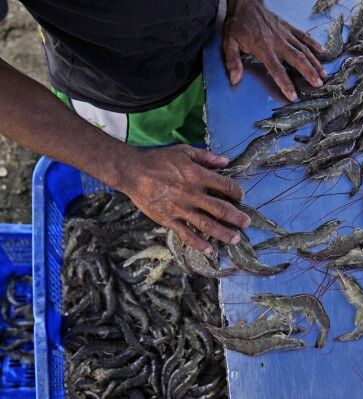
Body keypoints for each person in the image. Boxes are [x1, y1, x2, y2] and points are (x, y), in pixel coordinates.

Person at [0, 0, 326, 253]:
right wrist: (126, 168)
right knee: (173, 201)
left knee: (229, 162)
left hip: (217, 41)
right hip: (122, 101)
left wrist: (246, 6)